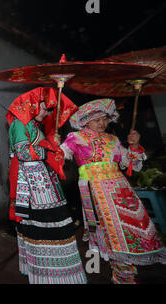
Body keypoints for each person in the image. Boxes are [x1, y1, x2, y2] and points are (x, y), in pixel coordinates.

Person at [60, 98, 166, 284]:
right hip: (96, 190)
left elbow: (131, 164)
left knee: (131, 228)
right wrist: (54, 145)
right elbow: (58, 158)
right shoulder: (76, 138)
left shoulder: (113, 140)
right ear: (85, 121)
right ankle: (121, 274)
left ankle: (127, 271)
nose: (102, 123)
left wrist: (133, 146)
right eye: (96, 119)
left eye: (104, 119)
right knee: (110, 231)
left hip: (121, 190)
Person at [7, 86, 87, 284]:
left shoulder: (33, 126)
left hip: (42, 181)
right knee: (44, 226)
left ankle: (57, 274)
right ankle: (48, 275)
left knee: (52, 224)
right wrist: (50, 146)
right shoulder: (19, 124)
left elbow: (38, 151)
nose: (47, 112)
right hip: (33, 185)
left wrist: (51, 144)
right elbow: (24, 154)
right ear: (33, 105)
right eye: (45, 108)